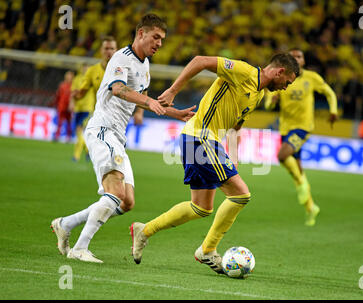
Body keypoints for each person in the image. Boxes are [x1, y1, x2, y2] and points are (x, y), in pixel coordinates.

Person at [129, 53, 299, 273]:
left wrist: (233, 158)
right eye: (287, 82)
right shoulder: (243, 71)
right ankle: (208, 250)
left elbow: (235, 127)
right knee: (241, 195)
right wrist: (172, 91)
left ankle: (144, 230)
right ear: (279, 71)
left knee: (200, 207)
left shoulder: (257, 95)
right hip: (200, 137)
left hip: (205, 141)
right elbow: (200, 61)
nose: (285, 87)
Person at [50, 13, 196, 263]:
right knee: (115, 193)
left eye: (162, 39)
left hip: (119, 136)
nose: (160, 43)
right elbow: (117, 88)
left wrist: (174, 113)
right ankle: (80, 248)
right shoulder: (121, 58)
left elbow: (146, 101)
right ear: (141, 33)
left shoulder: (145, 65)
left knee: (127, 201)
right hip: (103, 130)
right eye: (156, 37)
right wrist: (149, 100)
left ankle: (65, 223)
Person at [264, 48, 338, 226]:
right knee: (296, 167)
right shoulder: (280, 77)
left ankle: (303, 185)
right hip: (285, 128)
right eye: (293, 56)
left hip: (303, 128)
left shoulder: (311, 78)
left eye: (299, 56)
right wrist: (271, 102)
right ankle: (311, 208)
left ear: (304, 60)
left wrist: (333, 110)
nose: (297, 59)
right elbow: (267, 105)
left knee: (282, 155)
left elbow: (329, 93)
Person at [71, 36, 118, 162]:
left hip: (118, 117)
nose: (108, 51)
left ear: (116, 50)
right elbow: (82, 92)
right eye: (106, 48)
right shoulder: (92, 71)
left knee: (115, 155)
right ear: (101, 50)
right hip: (98, 114)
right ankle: (86, 154)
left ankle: (85, 153)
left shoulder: (122, 70)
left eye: (111, 48)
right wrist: (76, 95)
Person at [54, 70, 74, 142]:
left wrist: (72, 105)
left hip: (69, 107)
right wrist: (56, 104)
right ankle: (57, 136)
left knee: (69, 122)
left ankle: (68, 137)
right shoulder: (62, 85)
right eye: (68, 76)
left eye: (70, 76)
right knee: (60, 122)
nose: (69, 77)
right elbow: (58, 96)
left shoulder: (73, 85)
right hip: (62, 106)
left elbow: (74, 97)